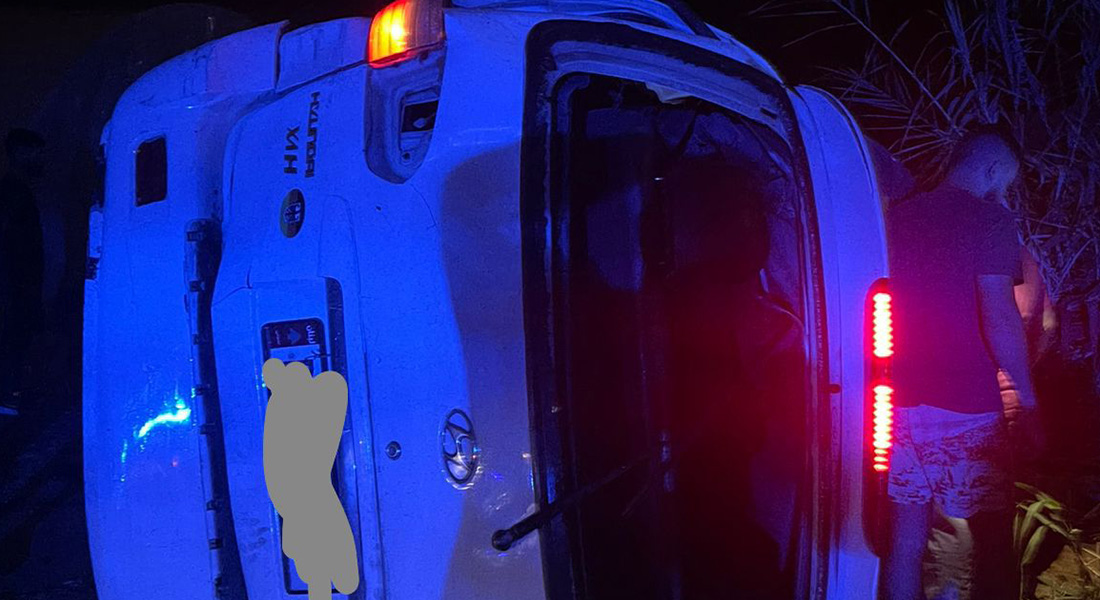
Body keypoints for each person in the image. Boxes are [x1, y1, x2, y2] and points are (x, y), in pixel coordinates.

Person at [881, 129, 1044, 600]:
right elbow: (999, 315)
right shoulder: (991, 218)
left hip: (899, 405)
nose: (1004, 193)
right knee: (986, 541)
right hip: (966, 408)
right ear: (992, 170)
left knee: (905, 540)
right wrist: (1027, 399)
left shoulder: (897, 216)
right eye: (1005, 181)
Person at [0, 128, 46, 414]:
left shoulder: (18, 192)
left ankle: (10, 396)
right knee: (13, 338)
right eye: (34, 154)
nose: (40, 161)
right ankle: (7, 397)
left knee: (17, 337)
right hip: (15, 284)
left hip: (19, 284)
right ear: (18, 154)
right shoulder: (14, 193)